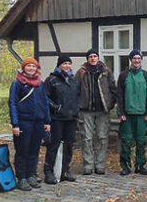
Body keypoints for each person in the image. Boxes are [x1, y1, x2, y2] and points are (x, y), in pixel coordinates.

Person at [9, 57, 51, 191]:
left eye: (33, 66)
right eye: (28, 66)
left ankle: (30, 175)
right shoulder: (17, 84)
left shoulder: (40, 83)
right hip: (23, 122)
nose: (31, 69)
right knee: (22, 150)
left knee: (34, 150)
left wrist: (47, 121)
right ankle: (21, 177)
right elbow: (13, 103)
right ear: (23, 68)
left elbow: (45, 102)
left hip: (38, 122)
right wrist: (15, 124)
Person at [77, 48, 117, 175]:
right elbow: (75, 89)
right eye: (90, 56)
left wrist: (110, 104)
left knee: (102, 138)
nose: (93, 58)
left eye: (95, 56)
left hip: (102, 111)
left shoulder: (106, 71)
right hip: (86, 111)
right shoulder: (82, 72)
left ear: (98, 58)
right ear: (87, 59)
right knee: (87, 139)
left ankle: (100, 164)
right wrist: (78, 105)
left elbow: (113, 89)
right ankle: (88, 165)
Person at [116, 49, 147, 175]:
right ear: (131, 60)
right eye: (134, 58)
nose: (137, 60)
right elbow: (119, 96)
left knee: (141, 141)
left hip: (142, 114)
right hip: (127, 114)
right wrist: (120, 113)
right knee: (126, 141)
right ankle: (125, 166)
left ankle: (140, 165)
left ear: (141, 60)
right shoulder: (123, 75)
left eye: (139, 58)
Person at [43, 55, 79, 184]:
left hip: (71, 118)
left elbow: (78, 96)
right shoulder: (51, 80)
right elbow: (45, 98)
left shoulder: (73, 80)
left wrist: (77, 109)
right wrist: (56, 108)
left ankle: (64, 170)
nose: (67, 66)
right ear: (59, 65)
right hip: (57, 118)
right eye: (64, 63)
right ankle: (49, 171)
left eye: (69, 63)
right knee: (54, 145)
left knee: (68, 146)